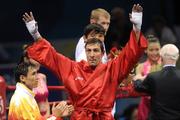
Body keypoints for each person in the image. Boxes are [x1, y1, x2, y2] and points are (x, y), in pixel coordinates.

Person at [23, 4, 147, 119]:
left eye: (95, 51)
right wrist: (35, 33)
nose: (92, 55)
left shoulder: (112, 69)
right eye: (89, 51)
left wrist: (137, 27)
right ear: (85, 51)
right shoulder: (72, 68)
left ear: (103, 52)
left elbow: (130, 55)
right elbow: (51, 56)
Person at [8, 62, 73, 120]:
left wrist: (57, 115)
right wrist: (55, 116)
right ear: (22, 78)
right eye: (33, 74)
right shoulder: (21, 98)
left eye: (36, 73)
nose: (37, 77)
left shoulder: (27, 95)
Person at [133, 44, 180, 120]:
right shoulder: (153, 77)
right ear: (177, 57)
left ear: (161, 57)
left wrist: (138, 78)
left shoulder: (153, 77)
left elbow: (138, 88)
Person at [135, 35, 162, 120]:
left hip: (162, 106)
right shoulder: (140, 67)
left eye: (157, 49)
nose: (154, 53)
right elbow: (136, 85)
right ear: (145, 50)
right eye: (151, 50)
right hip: (145, 106)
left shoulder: (165, 66)